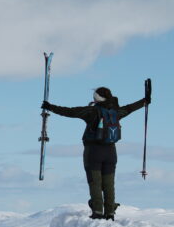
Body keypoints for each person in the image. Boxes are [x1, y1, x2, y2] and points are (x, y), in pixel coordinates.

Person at [42, 86, 150, 220]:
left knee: (95, 183)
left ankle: (98, 212)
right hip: (111, 152)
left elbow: (70, 112)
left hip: (93, 152)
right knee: (109, 184)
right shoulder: (115, 111)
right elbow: (129, 108)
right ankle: (110, 212)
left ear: (96, 98)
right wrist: (144, 101)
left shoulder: (92, 111)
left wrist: (49, 106)